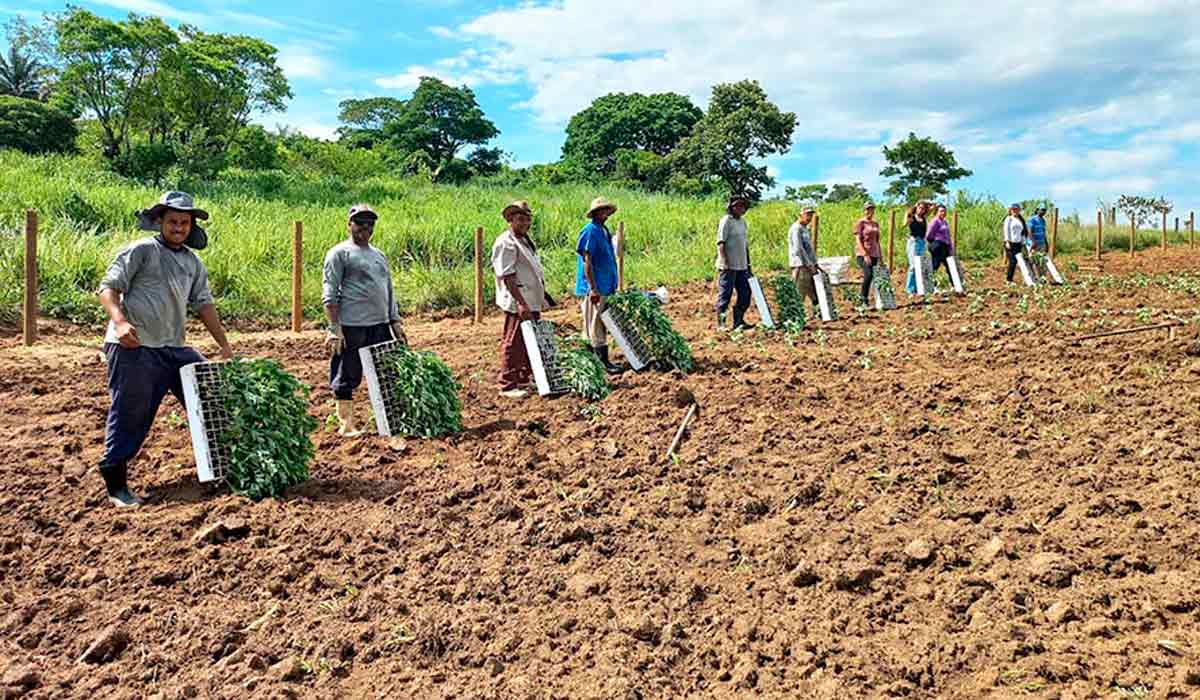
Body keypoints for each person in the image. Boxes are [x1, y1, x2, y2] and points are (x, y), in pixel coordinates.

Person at [97, 191, 234, 507]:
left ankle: (221, 468)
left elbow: (204, 305)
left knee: (208, 394)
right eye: (173, 221)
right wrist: (119, 322)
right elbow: (108, 288)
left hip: (174, 348)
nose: (178, 227)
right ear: (159, 221)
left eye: (184, 223)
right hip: (135, 346)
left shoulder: (192, 262)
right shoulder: (142, 250)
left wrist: (224, 346)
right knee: (131, 413)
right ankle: (116, 482)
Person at [323, 204, 407, 436]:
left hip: (379, 325)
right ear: (349, 224)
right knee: (346, 373)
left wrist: (395, 320)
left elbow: (388, 289)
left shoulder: (378, 255)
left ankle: (388, 421)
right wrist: (334, 328)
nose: (366, 228)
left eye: (370, 224)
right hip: (352, 325)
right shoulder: (339, 254)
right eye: (360, 223)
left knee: (385, 372)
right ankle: (346, 424)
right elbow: (330, 292)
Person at [493, 201, 555, 399]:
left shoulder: (524, 240)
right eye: (520, 219)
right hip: (519, 300)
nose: (524, 223)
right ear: (510, 220)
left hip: (530, 298)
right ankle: (507, 384)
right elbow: (507, 275)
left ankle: (523, 378)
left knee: (529, 340)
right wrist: (520, 303)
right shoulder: (506, 242)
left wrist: (543, 294)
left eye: (527, 219)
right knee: (513, 341)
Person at [575, 196, 622, 374]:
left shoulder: (603, 230)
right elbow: (587, 260)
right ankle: (601, 364)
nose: (605, 214)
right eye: (601, 211)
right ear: (595, 213)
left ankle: (600, 361)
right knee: (594, 324)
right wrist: (593, 288)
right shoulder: (590, 231)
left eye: (606, 210)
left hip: (605, 285)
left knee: (601, 322)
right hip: (596, 286)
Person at [715, 195, 754, 330]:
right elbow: (721, 242)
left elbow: (745, 245)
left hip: (742, 265)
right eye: (737, 206)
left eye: (742, 206)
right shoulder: (726, 221)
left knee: (746, 294)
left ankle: (739, 321)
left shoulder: (742, 222)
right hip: (728, 266)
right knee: (725, 295)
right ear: (731, 208)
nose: (740, 208)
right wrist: (724, 261)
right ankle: (721, 324)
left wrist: (748, 264)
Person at [787, 207, 820, 311]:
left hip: (808, 265)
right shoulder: (796, 228)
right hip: (800, 265)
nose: (809, 217)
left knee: (813, 290)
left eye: (811, 215)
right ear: (800, 215)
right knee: (799, 292)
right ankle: (794, 316)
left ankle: (818, 312)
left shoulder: (805, 228)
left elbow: (809, 248)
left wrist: (814, 263)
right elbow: (798, 249)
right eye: (807, 215)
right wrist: (809, 264)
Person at [853, 202, 883, 306]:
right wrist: (865, 254)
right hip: (863, 254)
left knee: (875, 276)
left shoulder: (875, 224)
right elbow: (858, 240)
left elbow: (877, 241)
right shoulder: (860, 223)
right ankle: (863, 299)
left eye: (871, 209)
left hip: (874, 253)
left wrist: (881, 257)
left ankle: (878, 300)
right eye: (867, 209)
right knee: (868, 274)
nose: (869, 211)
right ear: (864, 210)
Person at [905, 201, 929, 294]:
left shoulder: (923, 218)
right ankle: (910, 289)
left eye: (923, 208)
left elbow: (933, 207)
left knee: (919, 265)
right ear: (916, 207)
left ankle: (918, 287)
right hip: (913, 242)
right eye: (920, 207)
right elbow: (904, 224)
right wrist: (911, 210)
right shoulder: (911, 217)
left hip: (922, 243)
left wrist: (928, 203)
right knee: (913, 266)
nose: (921, 210)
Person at [1002, 203, 1028, 283]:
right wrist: (1007, 241)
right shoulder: (1008, 219)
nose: (1015, 211)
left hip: (1018, 243)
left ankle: (1025, 278)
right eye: (1013, 209)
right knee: (1012, 261)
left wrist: (1023, 243)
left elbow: (1022, 232)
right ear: (1010, 210)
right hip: (1010, 243)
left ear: (1019, 210)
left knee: (1018, 261)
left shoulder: (1020, 220)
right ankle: (1008, 280)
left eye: (1016, 209)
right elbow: (1006, 230)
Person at [927, 204, 953, 279]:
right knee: (935, 265)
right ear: (937, 212)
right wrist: (934, 242)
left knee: (949, 265)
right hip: (938, 245)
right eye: (941, 211)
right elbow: (929, 234)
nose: (943, 213)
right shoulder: (935, 221)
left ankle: (955, 285)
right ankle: (930, 284)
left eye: (944, 211)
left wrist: (950, 248)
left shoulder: (945, 222)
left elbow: (948, 236)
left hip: (945, 246)